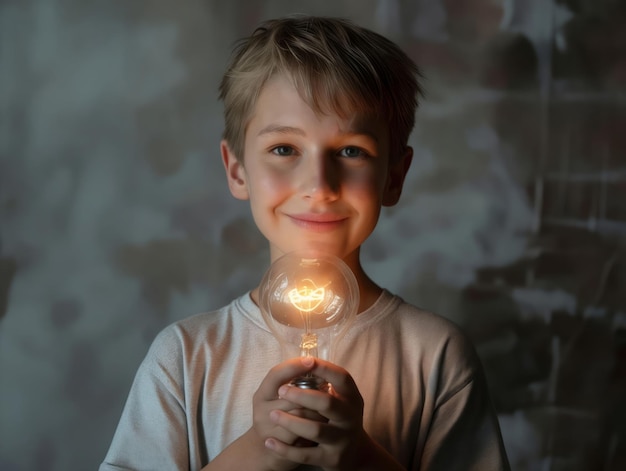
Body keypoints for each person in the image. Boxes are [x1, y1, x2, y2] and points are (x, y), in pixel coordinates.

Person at [100, 15, 510, 471]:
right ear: (237, 169)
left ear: (394, 175)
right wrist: (258, 449)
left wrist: (361, 459)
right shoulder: (186, 357)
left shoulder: (434, 355)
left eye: (351, 151)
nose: (319, 185)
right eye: (284, 149)